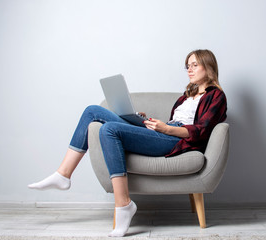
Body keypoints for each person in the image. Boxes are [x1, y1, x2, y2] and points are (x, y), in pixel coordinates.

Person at [28, 49, 227, 237]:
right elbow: (171, 122)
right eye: (187, 66)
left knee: (108, 129)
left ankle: (123, 204)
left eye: (194, 65)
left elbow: (201, 131)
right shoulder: (186, 96)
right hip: (164, 132)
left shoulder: (216, 96)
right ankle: (63, 174)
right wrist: (144, 119)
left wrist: (166, 129)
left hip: (175, 141)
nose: (189, 69)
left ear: (208, 67)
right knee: (91, 111)